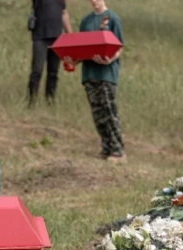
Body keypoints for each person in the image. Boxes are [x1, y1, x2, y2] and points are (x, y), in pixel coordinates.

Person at [64, 0, 124, 162]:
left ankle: (118, 150)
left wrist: (109, 59)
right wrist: (73, 59)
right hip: (89, 73)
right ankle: (106, 147)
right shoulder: (86, 21)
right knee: (98, 113)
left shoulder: (113, 18)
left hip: (106, 73)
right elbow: (83, 47)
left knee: (109, 111)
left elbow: (119, 47)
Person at [27, 0, 72, 106]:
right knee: (37, 70)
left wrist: (70, 34)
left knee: (53, 72)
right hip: (40, 36)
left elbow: (64, 13)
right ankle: (31, 101)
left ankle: (50, 100)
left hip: (57, 37)